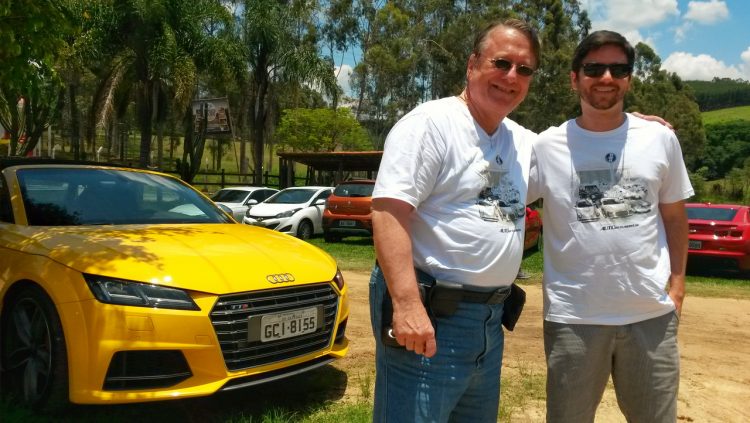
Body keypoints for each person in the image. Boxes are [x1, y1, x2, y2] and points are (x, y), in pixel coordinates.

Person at [369, 18, 540, 422]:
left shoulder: (523, 142)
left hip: (490, 320)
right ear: (472, 64)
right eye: (501, 63)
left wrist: (631, 126)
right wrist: (407, 305)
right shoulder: (431, 124)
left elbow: (581, 152)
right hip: (432, 315)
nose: (511, 76)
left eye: (524, 69)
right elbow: (388, 211)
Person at [527, 30, 692, 422]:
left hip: (650, 316)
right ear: (574, 78)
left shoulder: (660, 139)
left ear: (629, 79)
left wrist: (678, 286)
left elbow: (674, 216)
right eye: (594, 69)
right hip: (574, 318)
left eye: (618, 70)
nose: (606, 78)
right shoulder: (545, 146)